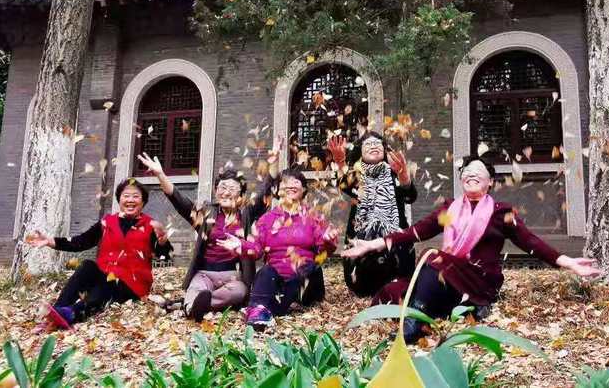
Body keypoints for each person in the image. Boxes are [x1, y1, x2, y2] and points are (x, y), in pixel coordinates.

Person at [341, 156, 601, 342]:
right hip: (446, 278)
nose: (471, 174)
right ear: (461, 179)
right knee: (394, 288)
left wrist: (568, 262)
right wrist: (371, 244)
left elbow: (531, 242)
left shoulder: (500, 212)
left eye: (478, 171)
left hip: (478, 280)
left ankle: (415, 324)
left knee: (433, 257)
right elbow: (414, 232)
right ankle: (438, 310)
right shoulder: (449, 209)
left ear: (490, 182)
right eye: (466, 171)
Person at [137, 141, 281, 322]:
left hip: (233, 276)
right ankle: (194, 307)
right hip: (204, 274)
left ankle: (196, 304)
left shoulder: (246, 214)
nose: (226, 192)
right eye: (222, 188)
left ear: (241, 194)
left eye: (232, 188)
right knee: (196, 289)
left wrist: (274, 159)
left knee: (239, 291)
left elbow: (266, 194)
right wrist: (160, 174)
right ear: (215, 191)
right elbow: (179, 201)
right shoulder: (206, 213)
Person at [25, 178, 168, 329]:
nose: (130, 200)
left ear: (143, 201)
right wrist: (50, 241)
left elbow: (165, 256)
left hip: (132, 285)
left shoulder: (151, 226)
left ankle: (72, 313)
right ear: (119, 199)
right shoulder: (107, 222)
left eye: (135, 196)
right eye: (126, 196)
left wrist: (162, 243)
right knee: (88, 266)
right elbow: (81, 241)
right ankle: (57, 312)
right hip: (106, 276)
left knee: (109, 281)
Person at [217, 169, 339, 330]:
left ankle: (265, 307)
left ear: (303, 189)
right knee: (265, 272)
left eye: (296, 181)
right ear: (277, 190)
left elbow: (323, 253)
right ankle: (259, 311)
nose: (290, 185)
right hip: (276, 283)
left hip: (307, 283)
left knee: (308, 268)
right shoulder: (266, 219)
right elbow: (256, 249)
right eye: (285, 182)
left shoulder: (313, 217)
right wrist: (241, 246)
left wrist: (329, 242)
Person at [328, 132, 418, 304]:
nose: (373, 146)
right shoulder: (357, 176)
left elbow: (410, 196)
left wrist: (404, 177)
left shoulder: (394, 173)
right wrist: (340, 162)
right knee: (364, 287)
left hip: (394, 248)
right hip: (362, 249)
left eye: (378, 143)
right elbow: (345, 186)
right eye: (368, 144)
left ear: (384, 150)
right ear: (360, 152)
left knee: (399, 285)